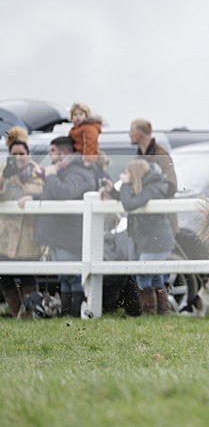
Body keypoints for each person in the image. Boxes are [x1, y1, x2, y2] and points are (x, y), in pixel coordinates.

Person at [30, 136, 96, 317]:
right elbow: (52, 194)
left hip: (70, 236)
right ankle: (67, 317)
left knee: (73, 277)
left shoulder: (78, 172)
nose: (50, 155)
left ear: (64, 152)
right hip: (59, 235)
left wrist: (50, 175)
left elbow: (64, 192)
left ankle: (73, 316)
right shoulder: (64, 171)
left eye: (53, 151)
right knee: (65, 277)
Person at [109, 160, 176, 315]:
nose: (125, 177)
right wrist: (112, 191)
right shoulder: (149, 185)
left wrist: (125, 185)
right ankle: (161, 311)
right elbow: (131, 199)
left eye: (127, 174)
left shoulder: (154, 187)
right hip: (147, 239)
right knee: (154, 276)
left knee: (144, 273)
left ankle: (150, 312)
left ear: (135, 174)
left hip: (156, 239)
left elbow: (130, 203)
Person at [0, 127, 45, 317]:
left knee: (28, 276)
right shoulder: (3, 171)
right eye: (14, 154)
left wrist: (27, 194)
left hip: (28, 233)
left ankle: (29, 314)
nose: (18, 157)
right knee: (4, 276)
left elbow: (39, 190)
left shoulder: (36, 171)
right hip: (6, 234)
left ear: (28, 154)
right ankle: (16, 311)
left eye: (22, 153)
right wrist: (5, 177)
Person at [128, 118, 177, 231]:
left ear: (140, 133)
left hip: (162, 220)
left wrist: (147, 193)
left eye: (132, 131)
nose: (129, 134)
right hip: (143, 221)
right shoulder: (138, 157)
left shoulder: (161, 154)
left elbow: (171, 185)